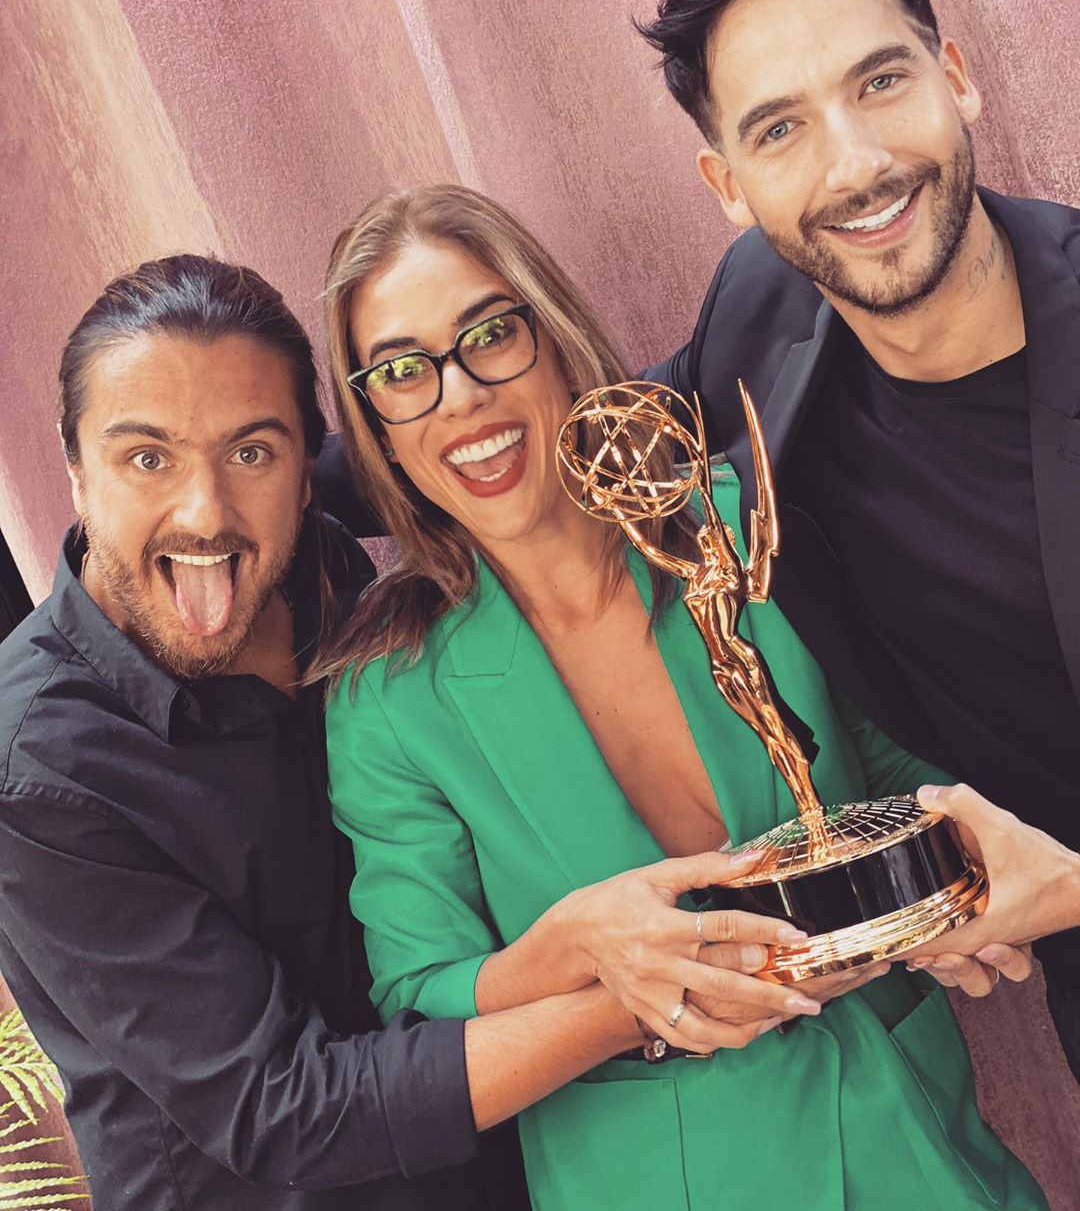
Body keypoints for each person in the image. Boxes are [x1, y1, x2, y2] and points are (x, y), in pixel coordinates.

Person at [0, 255, 797, 1210]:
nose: (205, 512)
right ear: (75, 467)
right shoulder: (39, 767)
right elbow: (280, 1108)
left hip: (525, 1156)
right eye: (147, 459)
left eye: (252, 453)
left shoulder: (328, 576)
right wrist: (645, 992)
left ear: (308, 473)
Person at [318, 183, 1046, 1210]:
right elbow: (421, 992)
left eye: (490, 335)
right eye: (402, 371)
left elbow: (898, 763)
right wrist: (576, 951)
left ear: (554, 334)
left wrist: (960, 885)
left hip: (912, 1141)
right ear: (377, 428)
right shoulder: (387, 701)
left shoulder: (746, 529)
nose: (461, 396)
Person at [636, 0, 1080, 1075]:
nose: (856, 166)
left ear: (955, 74)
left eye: (880, 81)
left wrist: (1067, 886)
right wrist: (271, 483)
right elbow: (604, 435)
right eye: (779, 128)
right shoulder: (759, 312)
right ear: (729, 187)